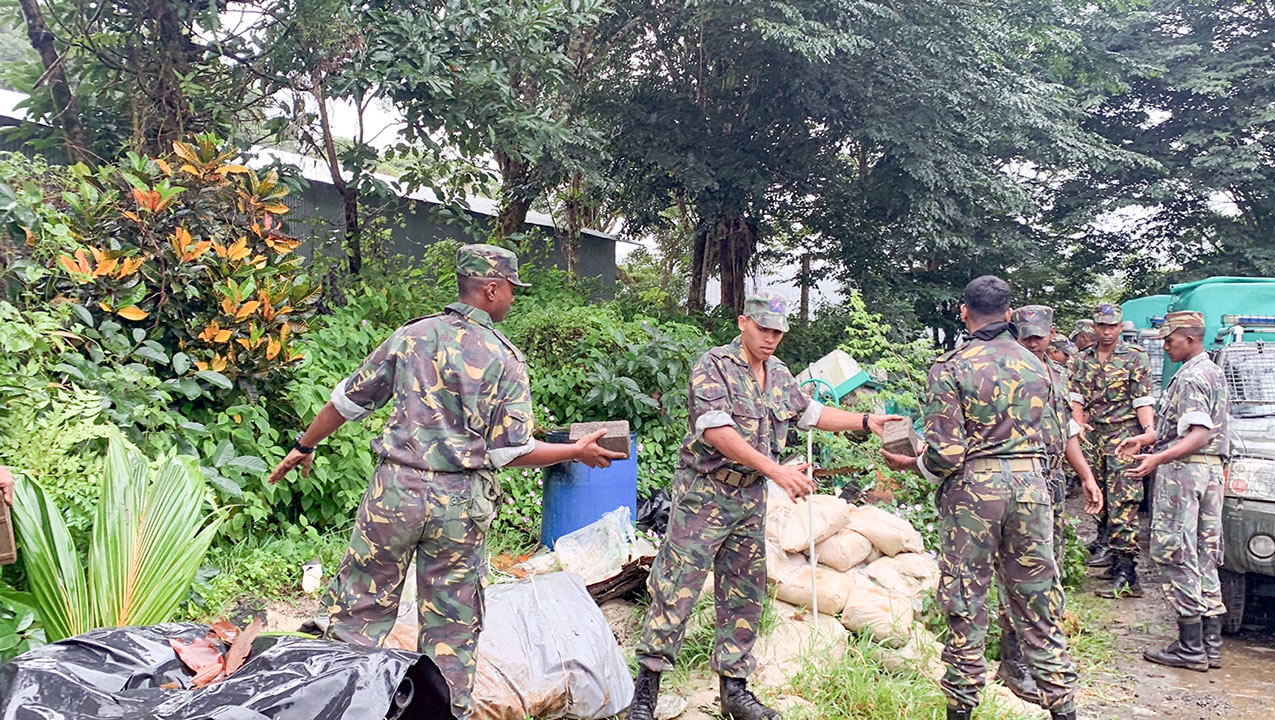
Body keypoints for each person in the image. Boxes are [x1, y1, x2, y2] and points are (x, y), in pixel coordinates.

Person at [267, 244, 626, 720]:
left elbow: (347, 402)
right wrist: (576, 451)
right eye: (512, 291)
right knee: (451, 627)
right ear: (491, 288)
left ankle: (342, 708)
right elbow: (510, 452)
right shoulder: (504, 358)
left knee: (358, 611)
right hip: (458, 506)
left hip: (394, 492)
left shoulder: (411, 337)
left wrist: (305, 445)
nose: (513, 300)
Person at [626, 293, 900, 720]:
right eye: (764, 329)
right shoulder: (714, 365)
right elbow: (717, 432)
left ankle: (735, 691)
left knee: (745, 592)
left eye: (778, 332)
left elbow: (810, 413)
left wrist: (867, 422)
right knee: (677, 588)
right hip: (706, 494)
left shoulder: (779, 374)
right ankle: (646, 691)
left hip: (749, 500)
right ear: (743, 323)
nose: (771, 338)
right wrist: (778, 470)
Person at [882, 277, 1078, 720]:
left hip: (975, 496)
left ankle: (963, 706)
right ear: (1010, 315)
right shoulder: (1042, 367)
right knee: (1039, 602)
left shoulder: (951, 367)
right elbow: (1054, 437)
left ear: (964, 312)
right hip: (1033, 490)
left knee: (965, 600)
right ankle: (1063, 708)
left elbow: (947, 455)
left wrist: (913, 464)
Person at [993, 306, 1103, 701]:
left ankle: (1044, 656)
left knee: (1047, 571)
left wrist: (1087, 477)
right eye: (1026, 334)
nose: (1033, 340)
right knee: (1014, 570)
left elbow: (1068, 431)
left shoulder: (1057, 375)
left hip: (1050, 487)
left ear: (1051, 333)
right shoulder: (1005, 370)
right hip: (1017, 487)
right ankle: (1013, 659)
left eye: (1039, 335)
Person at [1118, 311, 1229, 671]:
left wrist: (1157, 459)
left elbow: (1197, 435)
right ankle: (1209, 645)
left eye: (1170, 340)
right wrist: (1147, 438)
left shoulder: (1193, 377)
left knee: (1175, 551)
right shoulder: (1211, 370)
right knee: (1203, 553)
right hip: (1210, 471)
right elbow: (1185, 427)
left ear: (1190, 339)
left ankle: (1190, 646)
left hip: (1186, 473)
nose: (1165, 346)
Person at [1070, 303, 1156, 599]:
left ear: (1121, 327)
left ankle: (1127, 573)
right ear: (1094, 327)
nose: (1107, 332)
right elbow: (1076, 397)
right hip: (1094, 435)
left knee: (1124, 500)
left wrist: (1147, 433)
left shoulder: (1135, 357)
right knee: (1098, 497)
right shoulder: (1081, 359)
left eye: (1112, 326)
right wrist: (1078, 425)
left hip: (1124, 436)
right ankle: (1110, 552)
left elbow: (1142, 399)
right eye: (1102, 326)